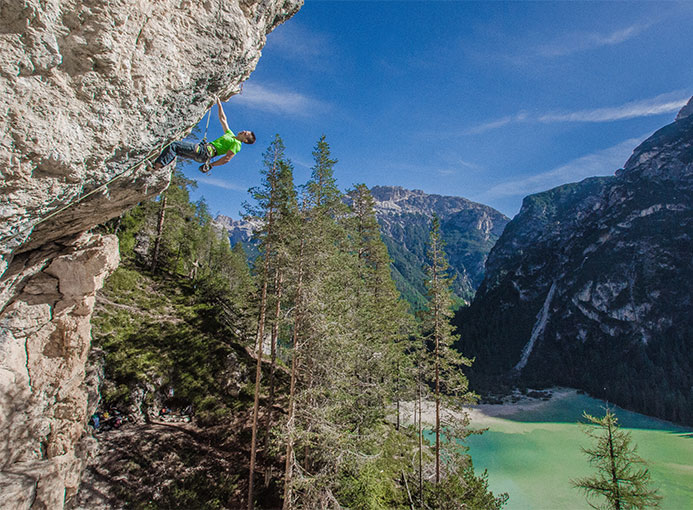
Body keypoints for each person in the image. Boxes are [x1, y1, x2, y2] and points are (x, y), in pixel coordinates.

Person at [151, 97, 255, 172]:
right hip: (203, 153)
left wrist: (211, 165)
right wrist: (219, 104)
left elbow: (227, 159)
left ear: (245, 140)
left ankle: (156, 167)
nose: (243, 131)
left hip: (204, 152)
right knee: (177, 150)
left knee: (175, 145)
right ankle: (157, 167)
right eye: (245, 131)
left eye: (246, 134)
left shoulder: (237, 144)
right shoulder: (230, 134)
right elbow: (223, 119)